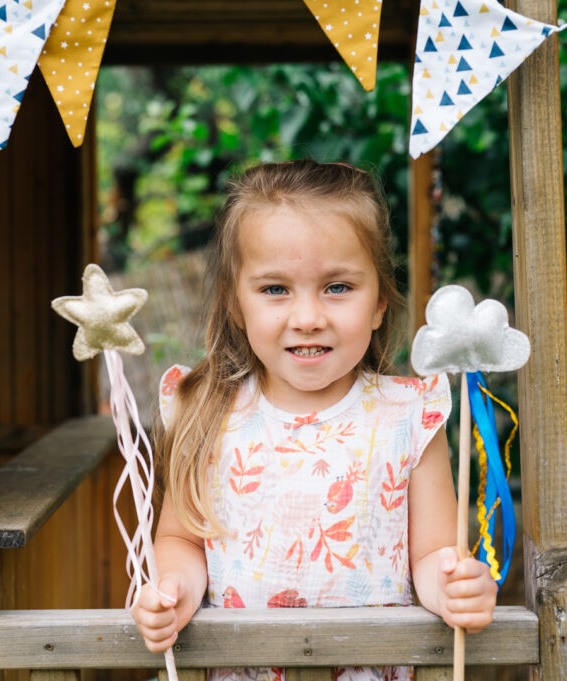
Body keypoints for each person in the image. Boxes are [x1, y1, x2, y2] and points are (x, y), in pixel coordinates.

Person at [131, 160, 497, 681]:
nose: (307, 317)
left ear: (378, 303)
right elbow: (181, 542)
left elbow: (434, 551)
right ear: (237, 304)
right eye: (275, 289)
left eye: (338, 287)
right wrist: (174, 591)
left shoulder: (408, 417)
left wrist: (455, 587)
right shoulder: (207, 412)